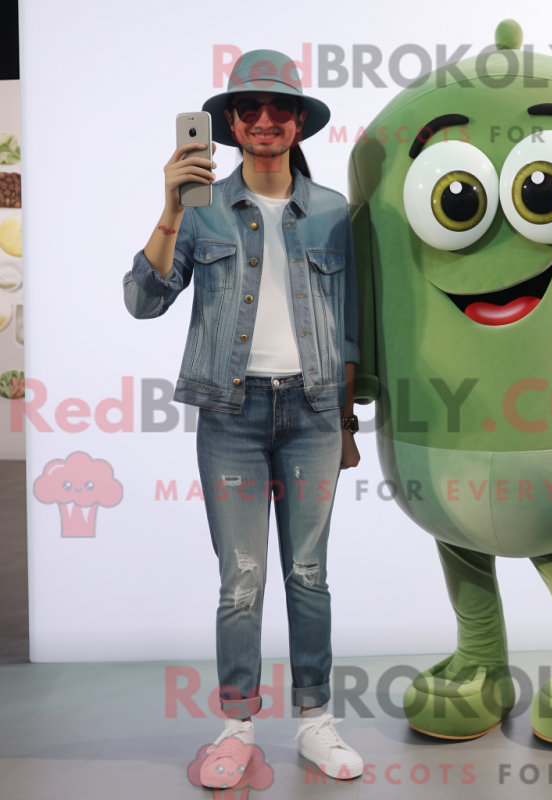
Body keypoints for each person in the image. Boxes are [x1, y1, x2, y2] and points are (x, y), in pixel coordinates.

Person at [123, 49, 363, 786]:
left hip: (315, 413)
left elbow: (351, 326)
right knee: (242, 579)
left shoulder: (333, 212)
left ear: (299, 124)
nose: (264, 120)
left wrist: (348, 424)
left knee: (309, 573)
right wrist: (170, 208)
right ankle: (237, 728)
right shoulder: (201, 209)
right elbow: (142, 300)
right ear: (228, 124)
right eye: (249, 109)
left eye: (279, 108)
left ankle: (316, 722)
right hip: (232, 416)